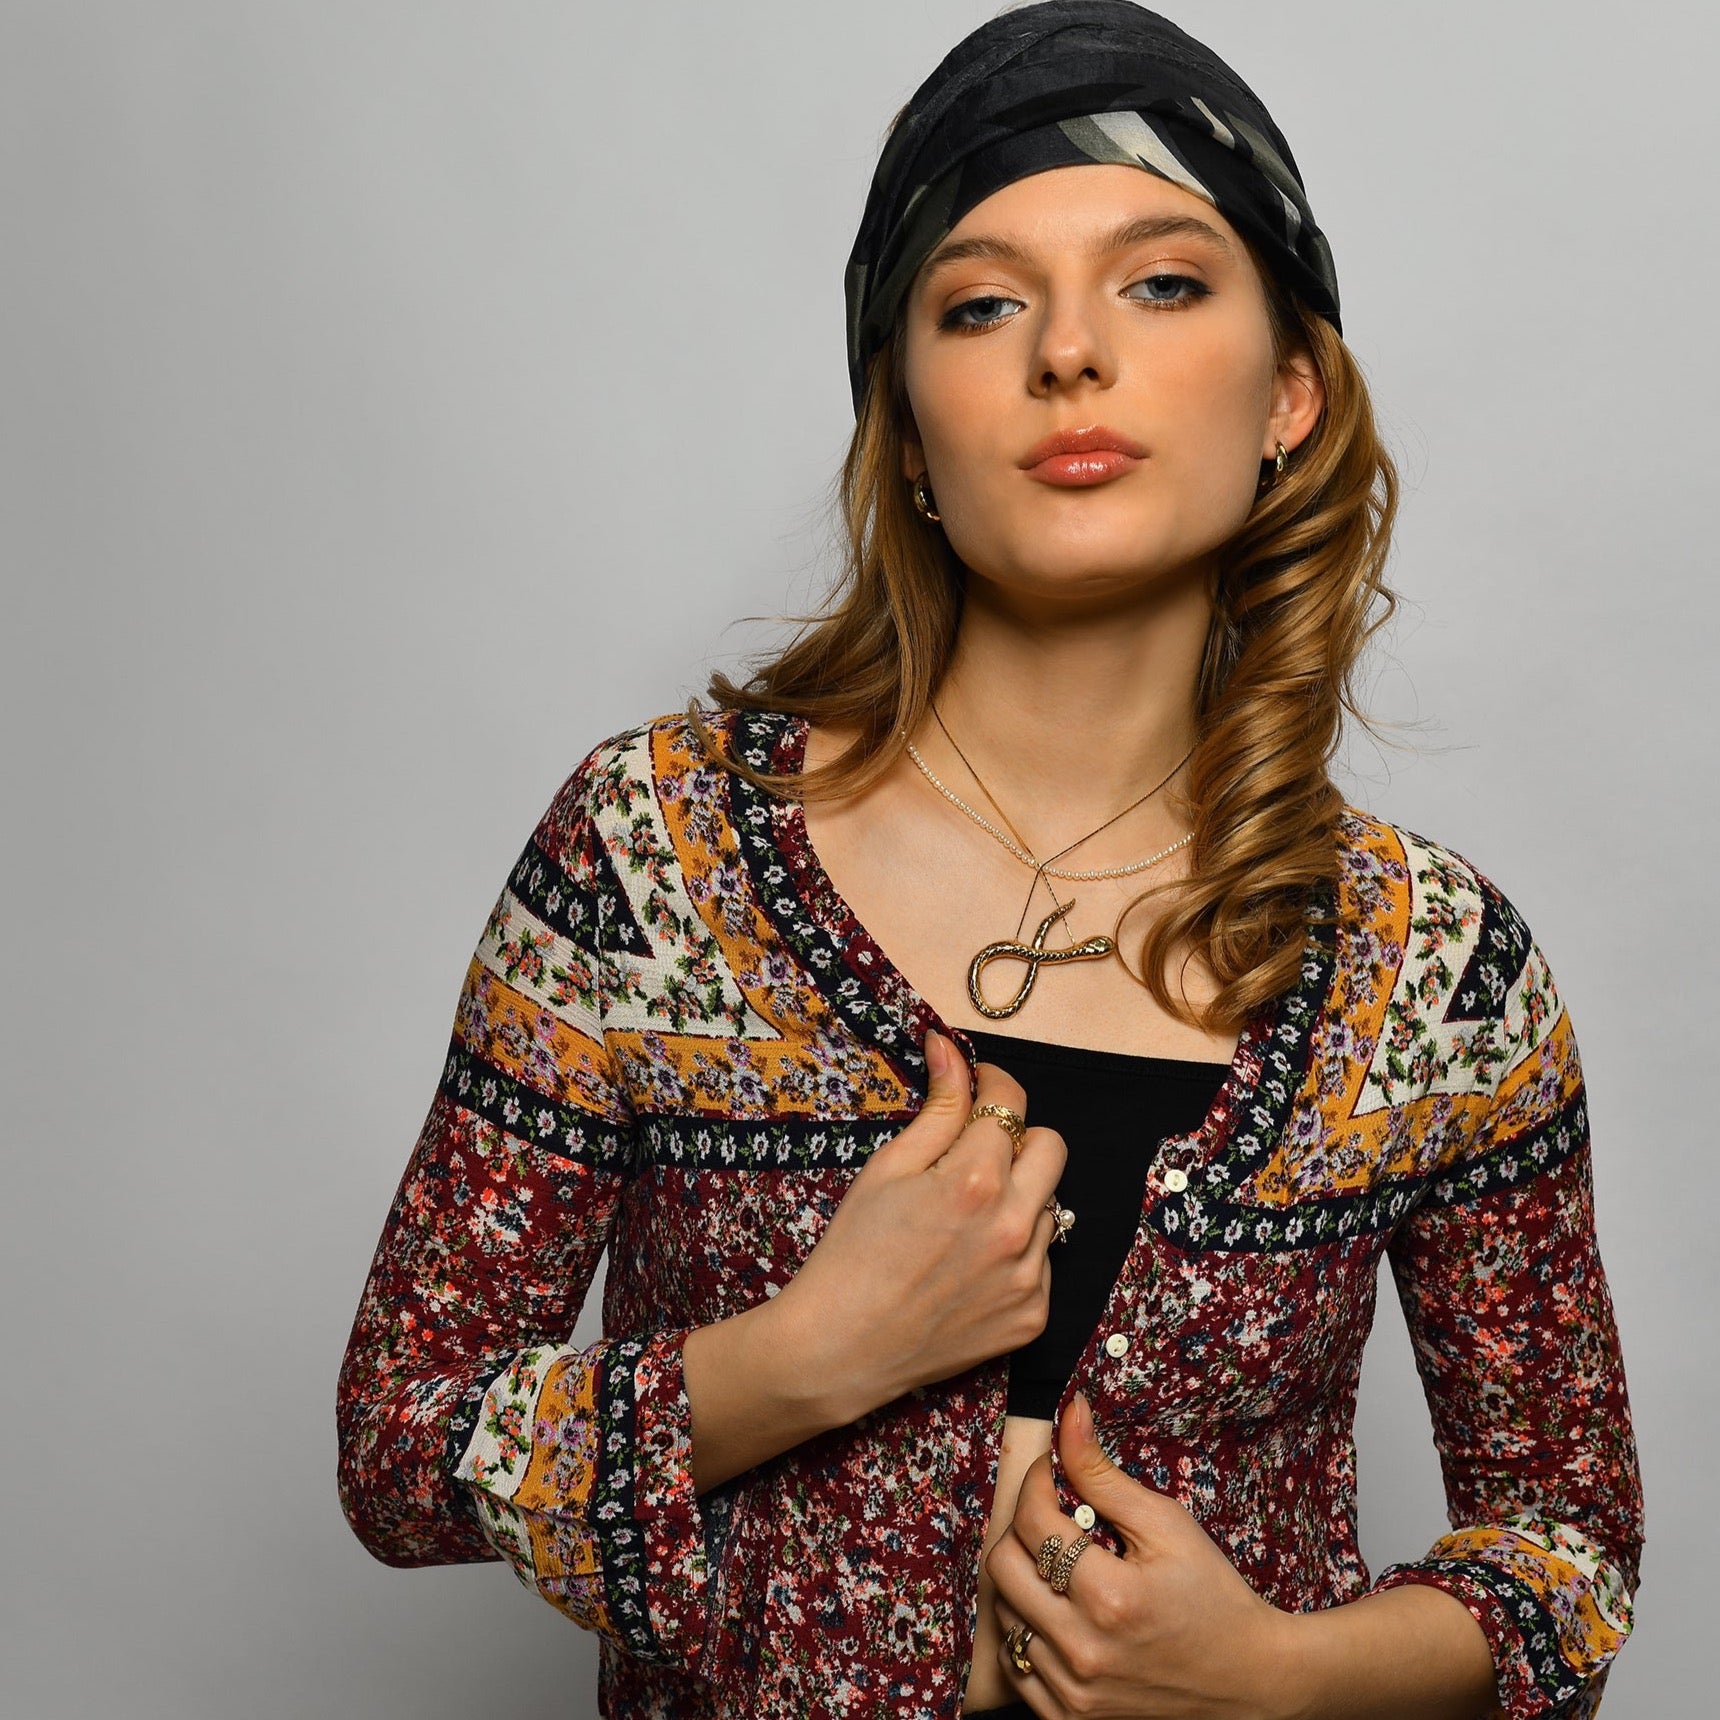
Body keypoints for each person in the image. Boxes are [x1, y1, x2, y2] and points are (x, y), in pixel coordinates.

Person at [335, 4, 1644, 1717]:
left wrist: (1282, 1676)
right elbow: (401, 1445)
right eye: (981, 304)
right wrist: (804, 1359)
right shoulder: (654, 856)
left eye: (1161, 283)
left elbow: (1572, 1558)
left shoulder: (1436, 966)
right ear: (908, 425)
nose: (1070, 355)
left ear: (1291, 395)